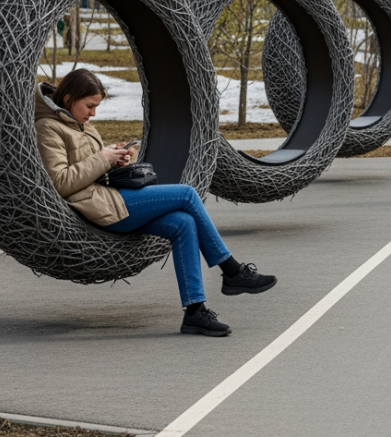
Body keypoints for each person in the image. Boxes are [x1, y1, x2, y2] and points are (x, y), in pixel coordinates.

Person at [34, 68, 276, 337]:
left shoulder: (78, 123)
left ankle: (195, 311)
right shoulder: (48, 127)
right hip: (97, 208)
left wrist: (118, 158)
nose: (93, 113)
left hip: (108, 197)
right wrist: (103, 159)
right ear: (69, 98)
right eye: (90, 106)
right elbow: (61, 182)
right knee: (186, 195)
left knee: (183, 223)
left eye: (96, 107)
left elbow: (91, 169)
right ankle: (232, 270)